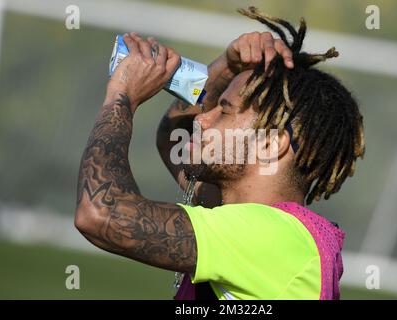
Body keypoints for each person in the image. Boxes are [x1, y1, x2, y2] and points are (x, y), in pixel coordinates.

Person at [75, 7, 365, 300]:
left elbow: (100, 215)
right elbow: (175, 140)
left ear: (270, 143)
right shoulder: (262, 224)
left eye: (224, 111)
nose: (202, 119)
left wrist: (121, 97)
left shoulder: (270, 237)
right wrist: (227, 65)